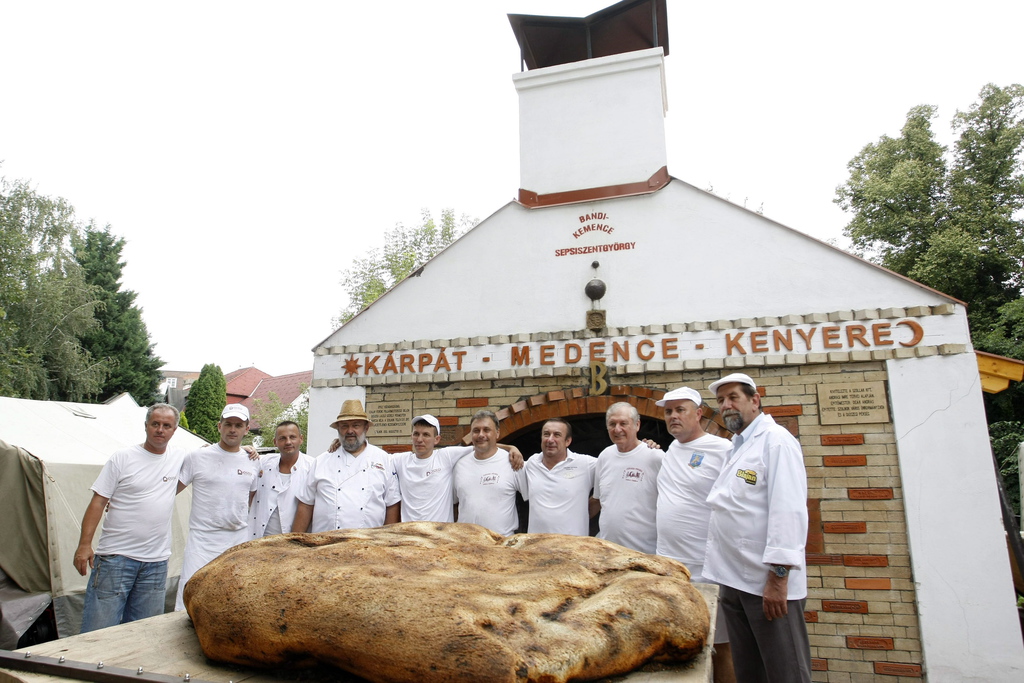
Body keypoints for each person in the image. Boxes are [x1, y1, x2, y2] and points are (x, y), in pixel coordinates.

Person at [703, 372, 811, 682]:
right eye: (721, 401)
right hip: (736, 581)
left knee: (785, 672)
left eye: (733, 397)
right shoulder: (737, 445)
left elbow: (788, 512)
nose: (726, 406)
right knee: (751, 673)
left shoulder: (776, 442)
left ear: (755, 400)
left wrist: (778, 579)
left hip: (767, 587)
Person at [74, 404, 184, 631]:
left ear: (174, 430)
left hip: (156, 563)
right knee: (98, 632)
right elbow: (98, 501)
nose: (160, 430)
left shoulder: (180, 458)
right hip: (116, 558)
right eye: (155, 424)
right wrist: (84, 545)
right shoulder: (123, 458)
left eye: (166, 425)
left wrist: (249, 450)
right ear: (146, 426)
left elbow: (217, 455)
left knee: (143, 633)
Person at [654, 386, 735, 683]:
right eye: (668, 411)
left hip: (709, 569)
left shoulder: (723, 450)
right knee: (678, 646)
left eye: (680, 410)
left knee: (722, 646)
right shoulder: (670, 450)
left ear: (699, 413)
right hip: (672, 570)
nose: (673, 416)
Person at [174, 403, 259, 611]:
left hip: (236, 541)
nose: (233, 429)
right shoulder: (197, 457)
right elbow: (169, 490)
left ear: (246, 429)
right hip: (202, 541)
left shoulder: (253, 461)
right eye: (228, 424)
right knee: (189, 598)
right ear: (219, 426)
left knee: (231, 600)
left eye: (238, 425)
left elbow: (249, 495)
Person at [390, 414, 524, 523]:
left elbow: (482, 444)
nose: (420, 439)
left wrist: (511, 448)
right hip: (410, 536)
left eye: (426, 435)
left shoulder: (446, 456)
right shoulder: (400, 460)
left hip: (440, 538)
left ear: (437, 439)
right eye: (416, 434)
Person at [292, 400, 400, 533]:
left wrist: (387, 541)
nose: (350, 431)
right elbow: (306, 505)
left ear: (366, 428)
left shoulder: (384, 460)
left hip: (368, 545)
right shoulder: (321, 461)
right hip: (326, 544)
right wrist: (294, 542)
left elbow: (392, 505)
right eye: (344, 426)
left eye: (356, 425)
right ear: (338, 430)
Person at [591, 402, 664, 553]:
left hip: (645, 552)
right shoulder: (605, 456)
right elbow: (598, 501)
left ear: (637, 425)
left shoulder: (655, 457)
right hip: (608, 550)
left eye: (623, 423)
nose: (617, 429)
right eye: (612, 424)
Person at [452, 410, 527, 536]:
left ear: (497, 433)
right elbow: (454, 503)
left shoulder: (513, 462)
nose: (481, 435)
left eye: (486, 430)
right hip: (466, 544)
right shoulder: (459, 465)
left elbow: (534, 499)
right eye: (476, 431)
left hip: (501, 544)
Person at [521, 418, 597, 535]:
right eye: (546, 434)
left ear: (568, 441)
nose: (550, 440)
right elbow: (488, 452)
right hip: (536, 547)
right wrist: (510, 448)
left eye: (557, 435)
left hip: (573, 547)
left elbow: (614, 476)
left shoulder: (586, 464)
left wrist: (595, 502)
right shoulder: (531, 464)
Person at [249, 420, 315, 537]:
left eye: (292, 437)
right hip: (259, 539)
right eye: (282, 438)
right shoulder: (263, 463)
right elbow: (237, 458)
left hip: (293, 541)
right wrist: (246, 448)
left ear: (301, 439)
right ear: (275, 442)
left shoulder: (312, 467)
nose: (288, 442)